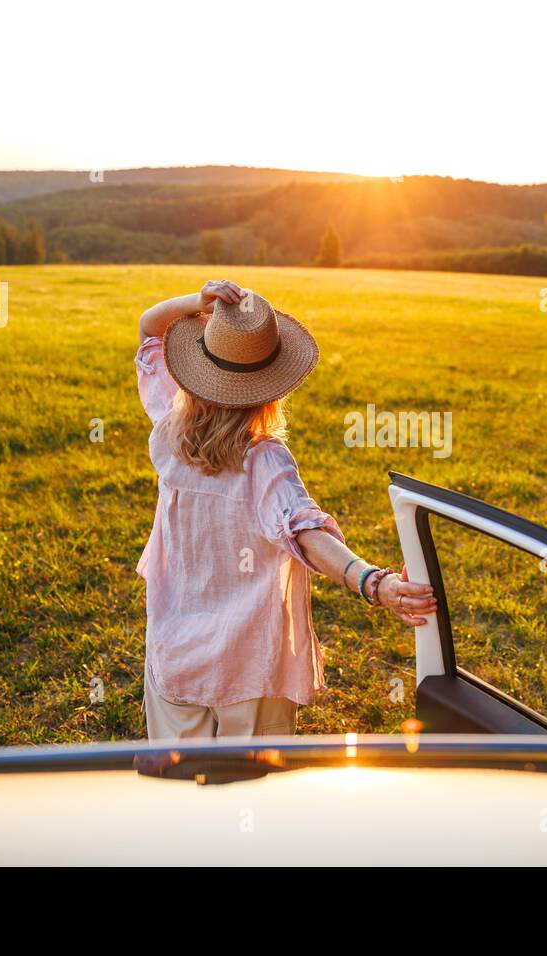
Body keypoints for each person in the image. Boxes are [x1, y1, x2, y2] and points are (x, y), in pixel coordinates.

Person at [134, 278, 436, 739]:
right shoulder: (263, 457)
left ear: (197, 370)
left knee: (178, 793)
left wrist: (197, 304)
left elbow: (149, 329)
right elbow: (305, 534)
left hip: (175, 652)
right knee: (252, 796)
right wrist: (375, 583)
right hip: (248, 666)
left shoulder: (168, 430)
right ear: (270, 389)